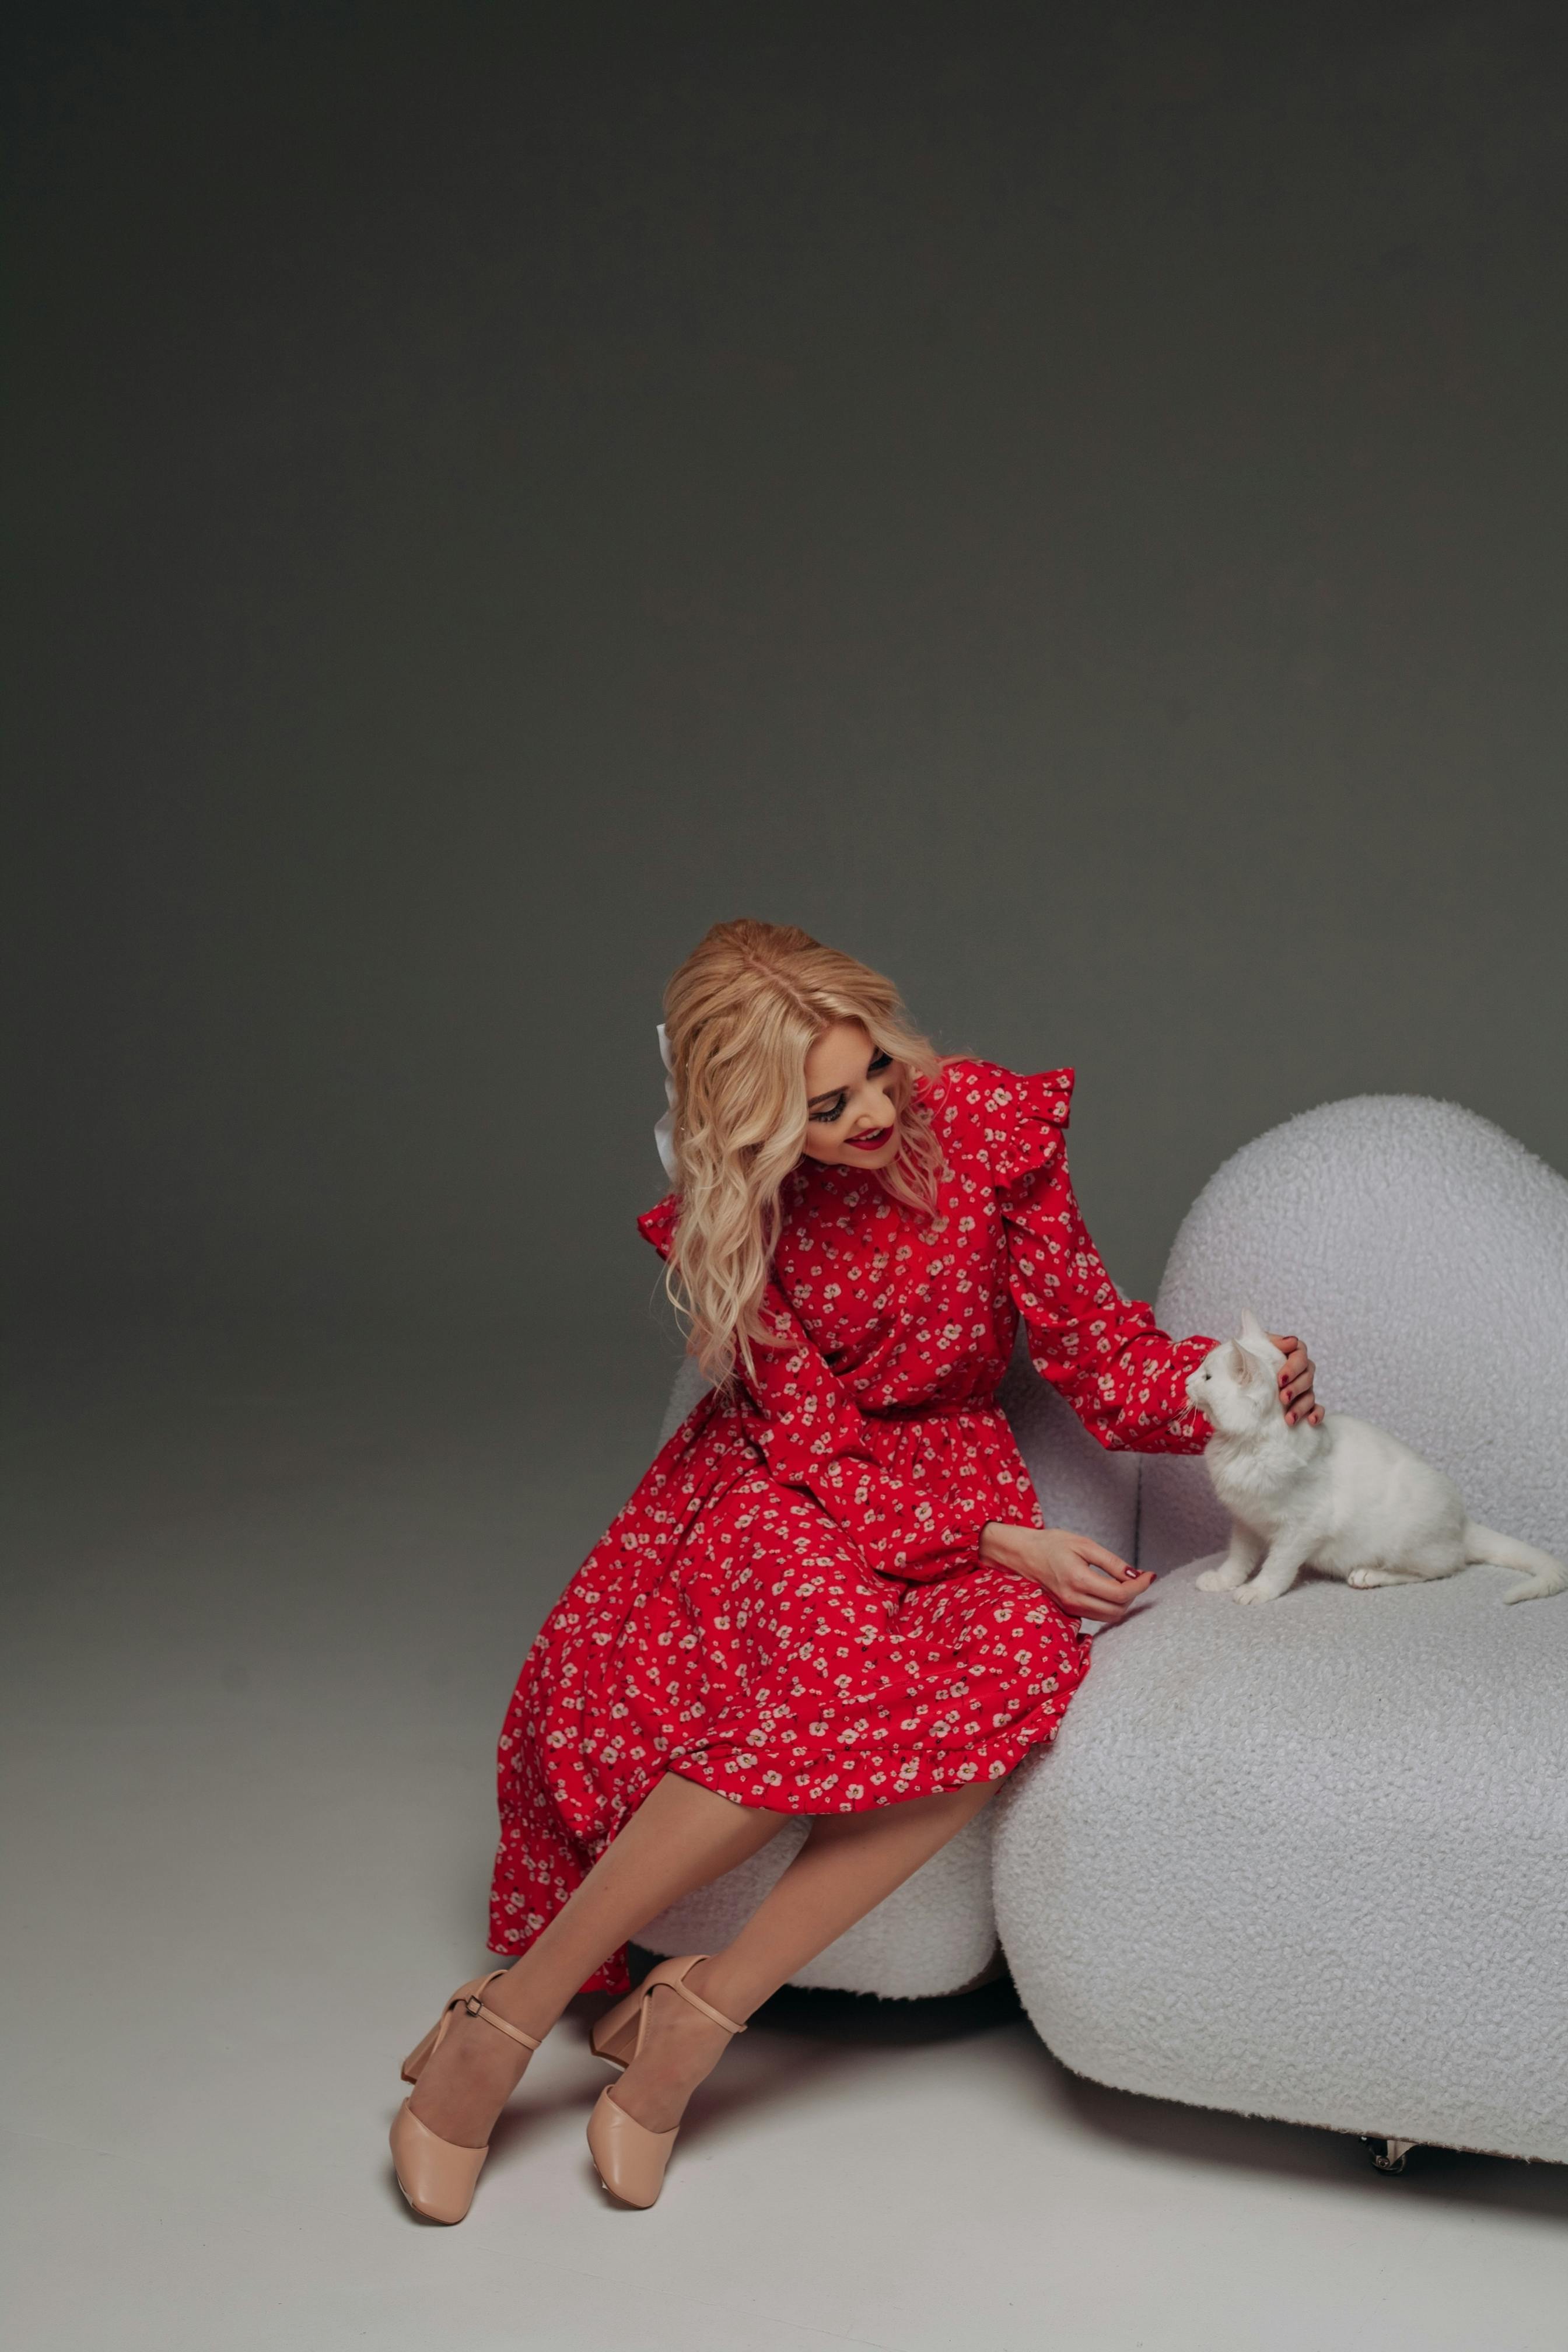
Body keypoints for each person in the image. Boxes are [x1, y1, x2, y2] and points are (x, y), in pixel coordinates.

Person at [388, 919, 1321, 2220]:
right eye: (825, 1107)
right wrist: (998, 1538)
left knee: (1015, 1667)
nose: (877, 1110)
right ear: (758, 1121)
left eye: (878, 1068)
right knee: (825, 1671)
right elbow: (810, 1437)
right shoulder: (746, 1210)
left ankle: (699, 2021)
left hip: (954, 1472)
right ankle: (507, 2016)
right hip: (788, 1486)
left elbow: (1095, 1351)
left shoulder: (988, 1128)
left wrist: (1229, 1390)